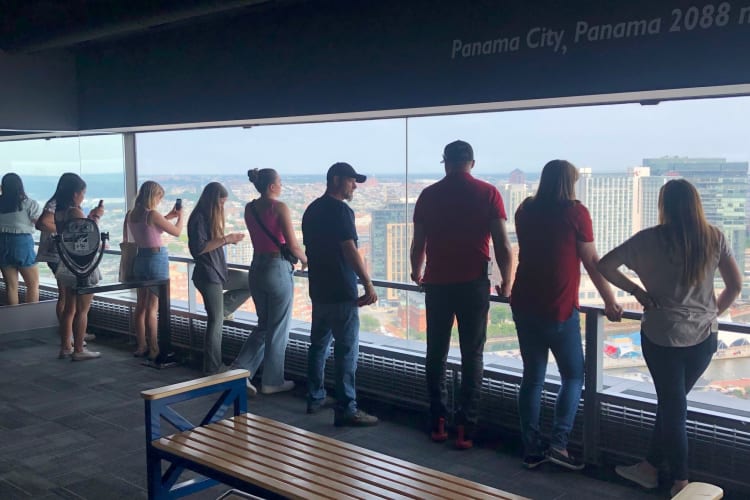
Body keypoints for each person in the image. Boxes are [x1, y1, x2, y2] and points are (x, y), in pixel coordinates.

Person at [597, 179, 741, 497]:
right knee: (672, 404)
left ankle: (680, 481)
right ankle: (649, 466)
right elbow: (735, 285)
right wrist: (713, 312)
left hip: (662, 334)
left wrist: (637, 291)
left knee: (673, 407)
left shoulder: (649, 239)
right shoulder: (713, 237)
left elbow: (604, 264)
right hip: (703, 338)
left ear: (663, 205)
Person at [511, 159, 622, 470]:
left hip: (524, 302)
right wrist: (610, 300)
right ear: (571, 182)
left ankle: (531, 449)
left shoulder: (525, 210)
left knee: (532, 378)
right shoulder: (576, 212)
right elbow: (591, 261)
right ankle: (558, 445)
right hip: (558, 307)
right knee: (573, 376)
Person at [409, 140, 513, 450]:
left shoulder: (428, 195)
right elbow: (503, 245)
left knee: (436, 353)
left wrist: (417, 272)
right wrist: (506, 282)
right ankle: (466, 427)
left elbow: (418, 244)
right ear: (472, 162)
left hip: (438, 282)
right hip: (473, 284)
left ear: (445, 162)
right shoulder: (488, 193)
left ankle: (438, 420)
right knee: (472, 355)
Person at [302, 162, 378, 426]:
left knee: (318, 346)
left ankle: (315, 397)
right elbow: (349, 249)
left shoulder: (311, 210)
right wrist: (367, 282)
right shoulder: (342, 211)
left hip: (319, 289)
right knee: (346, 350)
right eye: (351, 180)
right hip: (341, 291)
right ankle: (347, 408)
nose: (354, 185)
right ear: (336, 180)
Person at [231, 168, 307, 395]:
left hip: (257, 268)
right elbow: (292, 246)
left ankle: (238, 372)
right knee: (279, 328)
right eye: (280, 182)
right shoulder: (279, 207)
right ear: (272, 186)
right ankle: (273, 381)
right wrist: (305, 260)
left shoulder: (249, 208)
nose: (282, 186)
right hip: (277, 268)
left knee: (264, 325)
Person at [188, 182, 251, 375]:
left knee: (251, 281)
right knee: (215, 322)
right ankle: (213, 367)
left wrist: (225, 240)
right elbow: (198, 249)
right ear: (213, 201)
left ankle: (223, 309)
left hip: (217, 272)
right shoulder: (199, 218)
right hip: (208, 274)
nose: (222, 208)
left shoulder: (206, 217)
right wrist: (225, 239)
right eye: (221, 204)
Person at [126, 181, 183, 359]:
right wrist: (181, 217)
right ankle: (155, 348)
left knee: (141, 305)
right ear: (153, 196)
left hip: (140, 258)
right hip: (156, 258)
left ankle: (141, 345)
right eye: (159, 197)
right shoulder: (152, 214)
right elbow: (176, 232)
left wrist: (168, 216)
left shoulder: (132, 214)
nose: (159, 201)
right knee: (153, 307)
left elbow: (151, 229)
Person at [54, 173, 104, 361]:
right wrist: (96, 218)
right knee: (82, 309)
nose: (83, 196)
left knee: (69, 308)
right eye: (83, 193)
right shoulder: (74, 212)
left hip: (66, 263)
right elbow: (88, 239)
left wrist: (89, 217)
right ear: (75, 194)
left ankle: (66, 346)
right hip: (82, 265)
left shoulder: (59, 212)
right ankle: (79, 350)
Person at [0, 173, 42, 305]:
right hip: (21, 243)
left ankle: (14, 322)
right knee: (33, 285)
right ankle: (30, 320)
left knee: (11, 287)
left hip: (2, 243)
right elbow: (40, 223)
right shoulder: (29, 204)